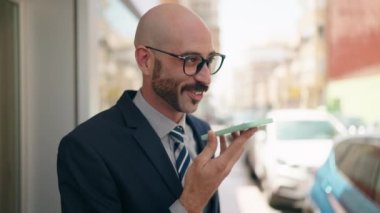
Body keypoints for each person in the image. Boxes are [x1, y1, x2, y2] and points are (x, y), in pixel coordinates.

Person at [57, 3, 256, 213]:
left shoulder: (202, 132)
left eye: (209, 61)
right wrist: (189, 204)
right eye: (191, 60)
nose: (206, 78)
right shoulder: (86, 148)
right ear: (146, 61)